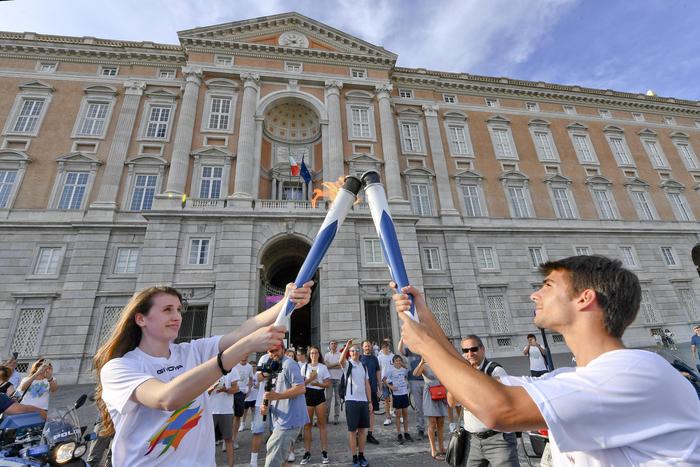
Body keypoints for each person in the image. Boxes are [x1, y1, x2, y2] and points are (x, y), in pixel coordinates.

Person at [393, 255, 700, 465]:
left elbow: (499, 409)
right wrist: (422, 314)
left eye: (548, 285)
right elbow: (476, 385)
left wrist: (426, 346)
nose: (534, 295)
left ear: (585, 298)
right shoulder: (575, 379)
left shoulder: (633, 373)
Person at [94, 282, 312, 467]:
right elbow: (166, 398)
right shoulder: (119, 367)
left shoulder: (192, 351)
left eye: (179, 309)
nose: (177, 316)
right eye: (167, 310)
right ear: (141, 319)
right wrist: (245, 346)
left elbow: (244, 329)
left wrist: (287, 302)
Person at [451, 335, 519, 467]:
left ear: (483, 349)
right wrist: (455, 377)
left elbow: (505, 402)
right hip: (472, 440)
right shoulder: (463, 373)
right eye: (465, 351)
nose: (470, 354)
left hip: (498, 439)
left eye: (473, 349)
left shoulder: (495, 370)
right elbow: (452, 402)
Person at [260, 343, 308, 467]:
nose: (273, 353)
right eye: (270, 351)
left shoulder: (289, 364)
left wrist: (277, 396)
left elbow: (301, 388)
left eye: (276, 350)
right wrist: (266, 405)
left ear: (283, 349)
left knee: (272, 462)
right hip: (280, 419)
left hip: (288, 421)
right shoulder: (273, 365)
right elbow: (273, 390)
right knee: (281, 461)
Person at [339, 340, 372, 467]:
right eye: (352, 351)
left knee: (362, 430)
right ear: (349, 353)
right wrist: (347, 347)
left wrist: (370, 402)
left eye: (357, 350)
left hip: (363, 401)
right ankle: (354, 457)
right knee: (352, 431)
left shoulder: (363, 366)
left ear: (360, 353)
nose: (354, 353)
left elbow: (367, 384)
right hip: (351, 401)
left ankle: (362, 455)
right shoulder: (348, 364)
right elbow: (340, 361)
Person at [300, 346, 331, 464]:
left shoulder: (323, 367)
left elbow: (328, 384)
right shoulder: (305, 367)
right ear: (309, 355)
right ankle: (307, 452)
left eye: (316, 353)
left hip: (319, 396)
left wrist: (318, 383)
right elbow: (300, 384)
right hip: (308, 396)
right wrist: (310, 380)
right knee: (307, 426)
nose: (313, 355)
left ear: (319, 354)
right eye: (312, 353)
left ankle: (324, 451)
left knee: (322, 425)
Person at [413, 357, 447, 460]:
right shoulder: (424, 365)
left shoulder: (439, 363)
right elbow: (415, 374)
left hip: (441, 392)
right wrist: (421, 362)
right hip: (430, 393)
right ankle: (433, 449)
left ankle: (441, 448)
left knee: (441, 421)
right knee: (432, 422)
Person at [208, 365, 239, 467]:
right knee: (208, 441)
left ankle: (230, 465)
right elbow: (202, 392)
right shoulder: (208, 370)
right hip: (210, 411)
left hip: (226, 410)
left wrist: (225, 389)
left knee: (228, 439)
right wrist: (212, 388)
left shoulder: (232, 369)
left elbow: (236, 389)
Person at [399, 337, 425, 439]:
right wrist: (402, 339)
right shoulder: (409, 350)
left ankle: (433, 428)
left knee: (429, 406)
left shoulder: (425, 350)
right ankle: (421, 429)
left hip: (426, 380)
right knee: (419, 407)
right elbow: (400, 350)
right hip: (414, 381)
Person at [383, 354, 412, 444]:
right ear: (393, 362)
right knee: (398, 415)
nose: (398, 362)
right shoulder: (391, 370)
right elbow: (383, 379)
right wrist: (390, 387)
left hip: (404, 393)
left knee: (405, 414)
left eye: (399, 361)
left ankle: (406, 432)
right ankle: (399, 433)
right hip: (396, 395)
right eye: (396, 361)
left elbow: (408, 373)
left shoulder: (404, 370)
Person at [359, 340, 381, 445]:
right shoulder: (359, 358)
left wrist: (380, 387)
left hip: (372, 389)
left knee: (371, 412)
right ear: (362, 347)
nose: (367, 347)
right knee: (362, 412)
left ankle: (370, 434)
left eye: (369, 346)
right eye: (365, 346)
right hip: (360, 390)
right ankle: (359, 434)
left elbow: (378, 373)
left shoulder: (374, 358)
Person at [232, 355, 254, 445]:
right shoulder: (234, 365)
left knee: (238, 416)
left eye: (246, 356)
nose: (244, 358)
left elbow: (251, 379)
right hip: (232, 392)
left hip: (241, 394)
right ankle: (227, 440)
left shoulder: (249, 367)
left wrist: (248, 390)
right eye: (242, 356)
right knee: (229, 416)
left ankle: (234, 439)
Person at [323, 340, 342, 425]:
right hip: (329, 379)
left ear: (337, 345)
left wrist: (331, 365)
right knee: (328, 399)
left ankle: (336, 418)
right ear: (329, 345)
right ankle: (326, 417)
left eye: (335, 344)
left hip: (338, 379)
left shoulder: (340, 355)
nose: (333, 345)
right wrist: (336, 364)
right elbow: (326, 366)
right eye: (332, 344)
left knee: (337, 400)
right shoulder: (326, 355)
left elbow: (340, 366)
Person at [377, 341, 394, 426]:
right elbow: (378, 369)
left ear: (389, 347)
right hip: (384, 381)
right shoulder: (379, 357)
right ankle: (388, 417)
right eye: (384, 347)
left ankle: (399, 415)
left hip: (393, 380)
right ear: (382, 348)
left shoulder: (393, 356)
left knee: (396, 398)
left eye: (387, 347)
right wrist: (379, 381)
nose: (385, 348)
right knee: (386, 400)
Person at [240, 360, 258, 432]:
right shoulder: (246, 374)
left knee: (253, 411)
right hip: (246, 396)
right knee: (244, 411)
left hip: (254, 396)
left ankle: (253, 424)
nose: (253, 367)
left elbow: (259, 385)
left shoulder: (258, 374)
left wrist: (255, 385)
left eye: (254, 366)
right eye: (252, 366)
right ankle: (242, 424)